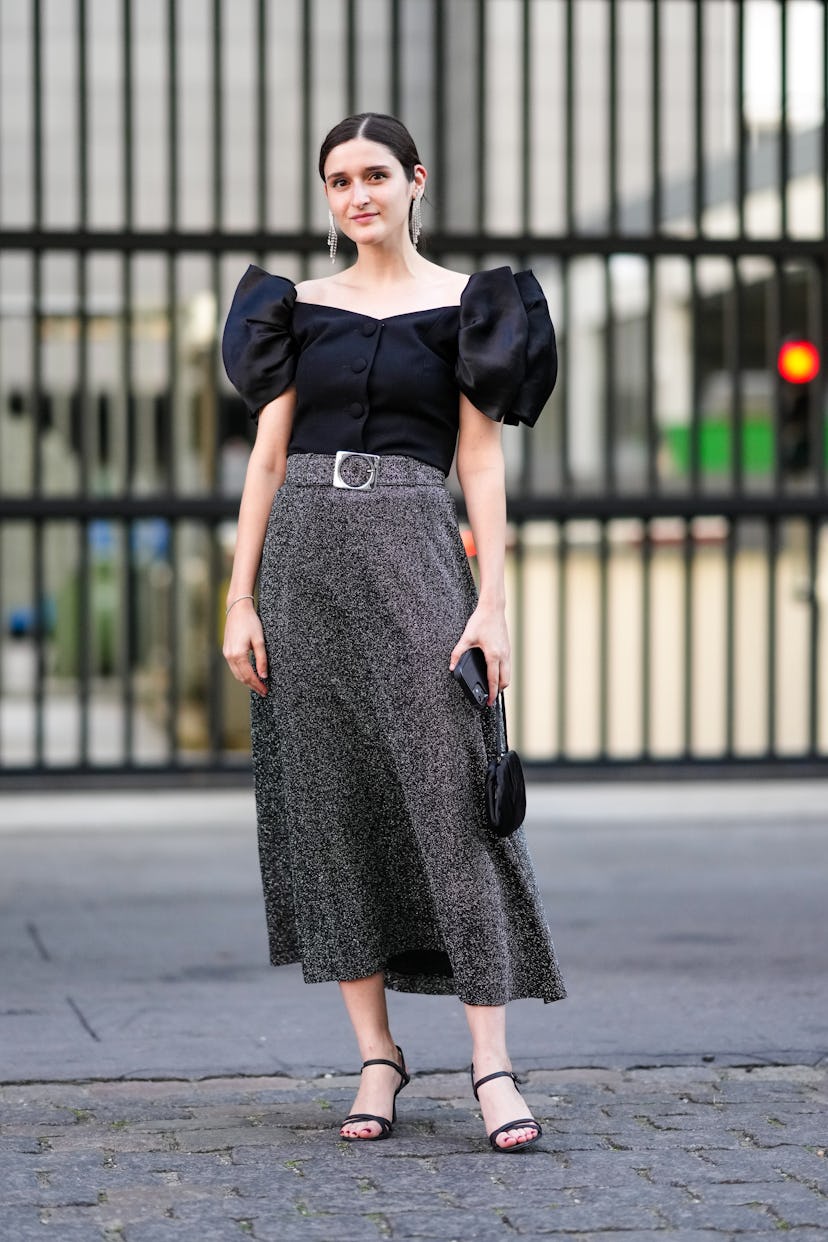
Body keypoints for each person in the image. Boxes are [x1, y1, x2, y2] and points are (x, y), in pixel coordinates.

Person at [221, 113, 566, 1152]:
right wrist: (239, 598)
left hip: (416, 554)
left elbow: (482, 465)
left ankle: (491, 1065)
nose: (357, 195)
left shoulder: (472, 308)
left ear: (416, 180)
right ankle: (378, 1055)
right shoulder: (297, 310)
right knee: (329, 806)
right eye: (338, 181)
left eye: (375, 175)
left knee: (450, 796)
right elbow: (267, 461)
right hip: (304, 566)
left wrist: (491, 604)